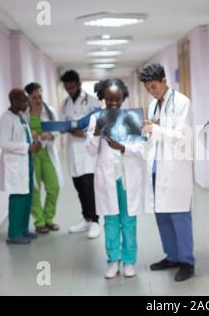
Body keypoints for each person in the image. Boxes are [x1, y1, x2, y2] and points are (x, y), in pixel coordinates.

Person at [140, 63, 195, 282]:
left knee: (179, 215)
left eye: (154, 86)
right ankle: (171, 256)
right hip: (156, 166)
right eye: (148, 88)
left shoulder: (182, 102)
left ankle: (186, 261)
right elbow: (155, 134)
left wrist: (155, 129)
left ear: (164, 81)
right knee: (161, 214)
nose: (152, 92)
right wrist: (147, 130)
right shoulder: (154, 104)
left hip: (175, 168)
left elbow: (182, 135)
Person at [86, 78, 145, 279]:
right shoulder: (96, 119)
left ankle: (129, 261)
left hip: (128, 176)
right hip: (107, 177)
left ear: (123, 99)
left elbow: (141, 148)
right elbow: (91, 151)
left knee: (129, 221)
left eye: (117, 100)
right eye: (109, 100)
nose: (113, 104)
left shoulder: (131, 117)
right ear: (102, 98)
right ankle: (113, 261)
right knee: (110, 221)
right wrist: (95, 133)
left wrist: (123, 147)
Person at [60, 70, 101, 239]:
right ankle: (86, 218)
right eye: (66, 87)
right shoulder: (65, 103)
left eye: (72, 86)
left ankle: (95, 222)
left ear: (79, 84)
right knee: (78, 187)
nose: (69, 90)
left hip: (87, 151)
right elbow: (64, 123)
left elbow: (100, 125)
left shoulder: (93, 102)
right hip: (72, 151)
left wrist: (83, 134)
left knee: (89, 188)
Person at [0, 88, 42, 244]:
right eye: (24, 101)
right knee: (18, 198)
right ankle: (14, 234)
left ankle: (23, 229)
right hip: (16, 164)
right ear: (14, 101)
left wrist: (33, 145)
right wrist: (27, 147)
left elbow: (25, 137)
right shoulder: (6, 119)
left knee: (27, 197)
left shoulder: (20, 117)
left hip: (26, 162)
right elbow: (3, 143)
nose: (27, 104)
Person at [24, 82, 64, 234]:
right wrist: (31, 136)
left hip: (47, 153)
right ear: (28, 98)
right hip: (33, 154)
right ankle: (39, 221)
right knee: (35, 190)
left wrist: (51, 134)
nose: (38, 100)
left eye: (39, 96)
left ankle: (49, 217)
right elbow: (22, 134)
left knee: (54, 187)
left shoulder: (49, 110)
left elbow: (57, 130)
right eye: (34, 97)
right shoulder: (25, 114)